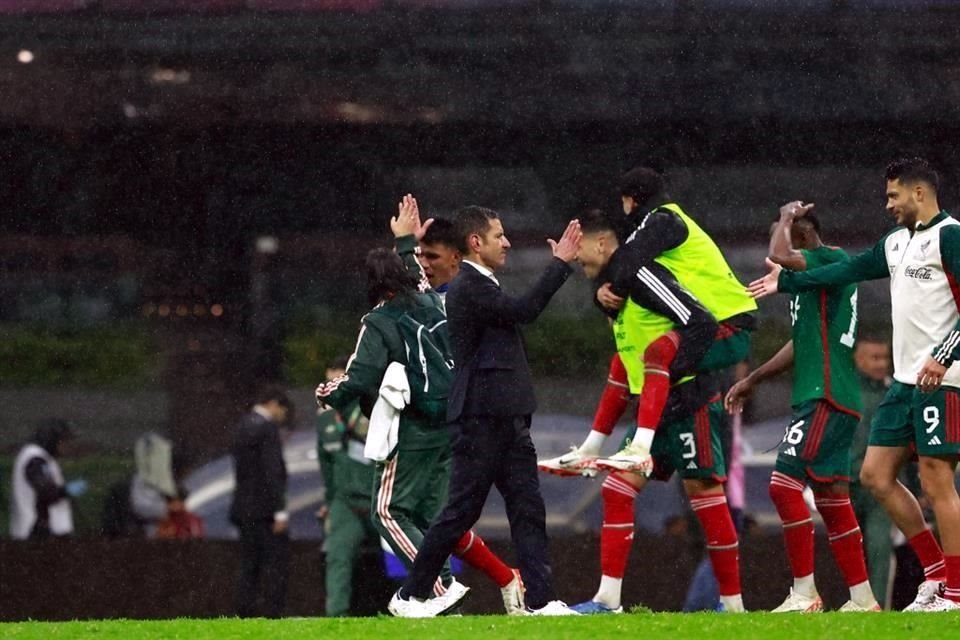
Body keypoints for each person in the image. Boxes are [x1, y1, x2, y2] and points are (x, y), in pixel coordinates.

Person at [748, 157, 960, 611]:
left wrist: (944, 356)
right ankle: (936, 573)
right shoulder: (896, 243)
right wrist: (789, 281)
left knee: (936, 479)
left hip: (945, 378)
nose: (888, 204)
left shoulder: (951, 235)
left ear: (919, 192)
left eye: (893, 195)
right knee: (875, 476)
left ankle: (957, 592)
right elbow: (845, 271)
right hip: (905, 382)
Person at [317, 215, 527, 617]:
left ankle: (438, 587)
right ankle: (457, 600)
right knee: (434, 518)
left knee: (388, 512)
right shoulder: (433, 301)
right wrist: (404, 240)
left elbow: (360, 377)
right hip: (453, 420)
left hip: (414, 425)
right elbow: (417, 277)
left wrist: (326, 392)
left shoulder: (379, 320)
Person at [387, 205, 582, 617]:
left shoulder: (483, 284)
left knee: (528, 510)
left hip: (505, 418)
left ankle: (541, 601)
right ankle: (409, 596)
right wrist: (560, 265)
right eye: (499, 235)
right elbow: (524, 311)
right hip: (481, 420)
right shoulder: (470, 286)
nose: (506, 242)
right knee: (460, 512)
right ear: (476, 242)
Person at [559, 210, 743, 614]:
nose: (575, 255)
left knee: (705, 495)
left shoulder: (644, 275)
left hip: (692, 401)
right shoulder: (616, 291)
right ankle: (607, 600)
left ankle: (733, 607)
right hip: (655, 410)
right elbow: (623, 368)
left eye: (580, 246)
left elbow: (697, 318)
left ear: (603, 243)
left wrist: (680, 365)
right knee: (617, 490)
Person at [539, 167, 757, 475]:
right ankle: (591, 449)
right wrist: (604, 296)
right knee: (624, 363)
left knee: (654, 355)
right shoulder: (651, 243)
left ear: (630, 201)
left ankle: (639, 448)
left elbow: (629, 263)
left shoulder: (661, 223)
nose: (575, 255)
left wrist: (664, 376)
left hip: (726, 324)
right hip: (710, 324)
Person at [726, 201, 879, 612]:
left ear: (806, 235)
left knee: (783, 486)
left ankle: (804, 593)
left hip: (824, 395)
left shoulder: (829, 258)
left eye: (788, 237)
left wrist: (785, 216)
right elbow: (801, 341)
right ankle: (863, 600)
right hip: (835, 396)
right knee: (832, 499)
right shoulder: (815, 281)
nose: (778, 250)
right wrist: (754, 379)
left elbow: (779, 255)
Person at [315, 355, 380, 617]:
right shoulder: (326, 419)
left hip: (381, 498)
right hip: (346, 500)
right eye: (330, 377)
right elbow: (326, 464)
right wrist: (329, 502)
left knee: (405, 555)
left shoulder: (371, 404)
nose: (333, 382)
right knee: (338, 556)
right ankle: (336, 616)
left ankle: (419, 605)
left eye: (340, 376)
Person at [229, 385, 293, 618]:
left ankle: (244, 611)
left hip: (243, 507)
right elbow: (273, 471)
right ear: (274, 404)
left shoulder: (242, 425)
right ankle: (273, 612)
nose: (282, 416)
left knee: (249, 564)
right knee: (276, 563)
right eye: (282, 410)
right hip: (265, 510)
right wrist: (280, 511)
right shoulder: (267, 429)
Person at [849, 336, 895, 607]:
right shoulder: (844, 391)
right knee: (848, 547)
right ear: (857, 358)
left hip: (883, 483)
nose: (881, 364)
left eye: (884, 358)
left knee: (879, 547)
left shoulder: (894, 393)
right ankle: (854, 602)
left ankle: (876, 606)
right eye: (874, 358)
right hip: (846, 481)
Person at [10, 419, 87, 540]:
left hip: (40, 533)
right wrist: (66, 490)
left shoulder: (39, 457)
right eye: (64, 441)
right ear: (52, 440)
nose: (68, 446)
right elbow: (46, 491)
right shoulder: (35, 458)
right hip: (36, 534)